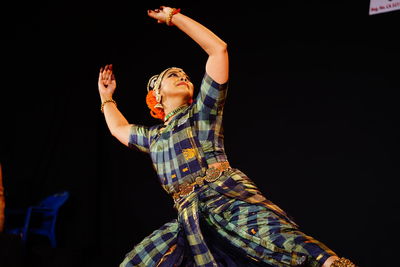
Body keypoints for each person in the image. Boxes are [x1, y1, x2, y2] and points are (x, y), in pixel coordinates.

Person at [97, 6, 358, 267]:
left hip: (228, 198)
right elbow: (118, 129)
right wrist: (106, 97)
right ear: (157, 96)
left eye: (185, 75)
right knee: (142, 262)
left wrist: (173, 17)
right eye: (173, 75)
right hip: (191, 221)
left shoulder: (202, 113)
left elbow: (217, 50)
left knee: (285, 243)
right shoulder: (154, 137)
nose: (183, 78)